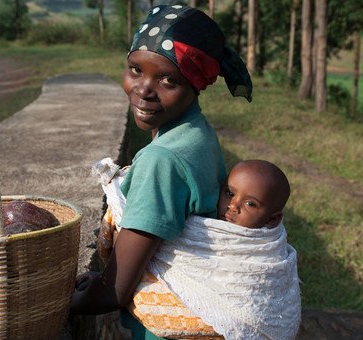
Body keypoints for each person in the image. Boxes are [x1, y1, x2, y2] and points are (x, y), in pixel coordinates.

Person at [69, 3, 253, 337]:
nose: (143, 89)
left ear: (196, 85)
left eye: (168, 79)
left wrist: (60, 303)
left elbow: (115, 292)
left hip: (163, 327)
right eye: (135, 69)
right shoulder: (198, 133)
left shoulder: (162, 159)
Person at [217, 159, 291, 229]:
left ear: (272, 219)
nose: (233, 206)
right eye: (229, 193)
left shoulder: (265, 242)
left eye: (250, 203)